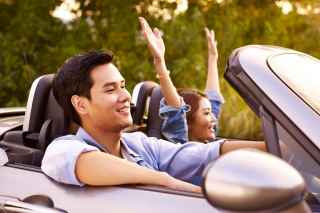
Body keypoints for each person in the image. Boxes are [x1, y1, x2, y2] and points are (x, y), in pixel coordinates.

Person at [41, 17, 266, 193]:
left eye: (123, 86)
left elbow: (206, 153)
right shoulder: (62, 149)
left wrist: (280, 147)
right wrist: (166, 181)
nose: (125, 96)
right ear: (80, 105)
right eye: (110, 89)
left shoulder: (140, 145)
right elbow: (85, 162)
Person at [141, 21, 223, 144]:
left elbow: (214, 99)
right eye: (207, 113)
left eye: (210, 112)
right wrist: (160, 63)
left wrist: (213, 58)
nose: (214, 118)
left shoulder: (207, 141)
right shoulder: (181, 144)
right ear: (188, 122)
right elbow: (176, 110)